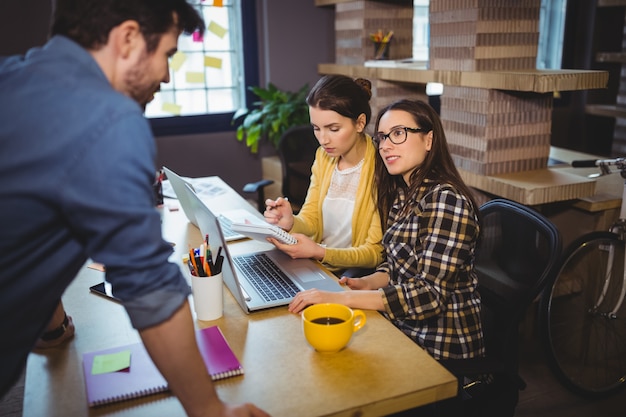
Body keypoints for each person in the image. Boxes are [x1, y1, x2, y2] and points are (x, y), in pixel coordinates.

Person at [0, 1, 269, 416]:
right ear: (127, 38)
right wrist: (211, 411)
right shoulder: (107, 119)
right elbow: (150, 289)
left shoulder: (12, 78)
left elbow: (34, 226)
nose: (166, 74)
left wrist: (51, 326)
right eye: (167, 54)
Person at [288, 99, 484, 361]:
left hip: (438, 349)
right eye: (381, 137)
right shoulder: (405, 193)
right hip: (401, 329)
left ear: (429, 140)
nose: (385, 145)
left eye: (399, 134)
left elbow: (429, 295)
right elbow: (398, 266)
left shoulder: (446, 201)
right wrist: (365, 283)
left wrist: (341, 299)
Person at [264, 75, 383, 275]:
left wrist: (320, 252)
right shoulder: (324, 157)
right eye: (316, 128)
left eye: (333, 129)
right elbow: (312, 219)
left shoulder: (381, 166)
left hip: (350, 273)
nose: (323, 139)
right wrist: (291, 221)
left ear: (360, 123)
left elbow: (375, 252)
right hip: (318, 264)